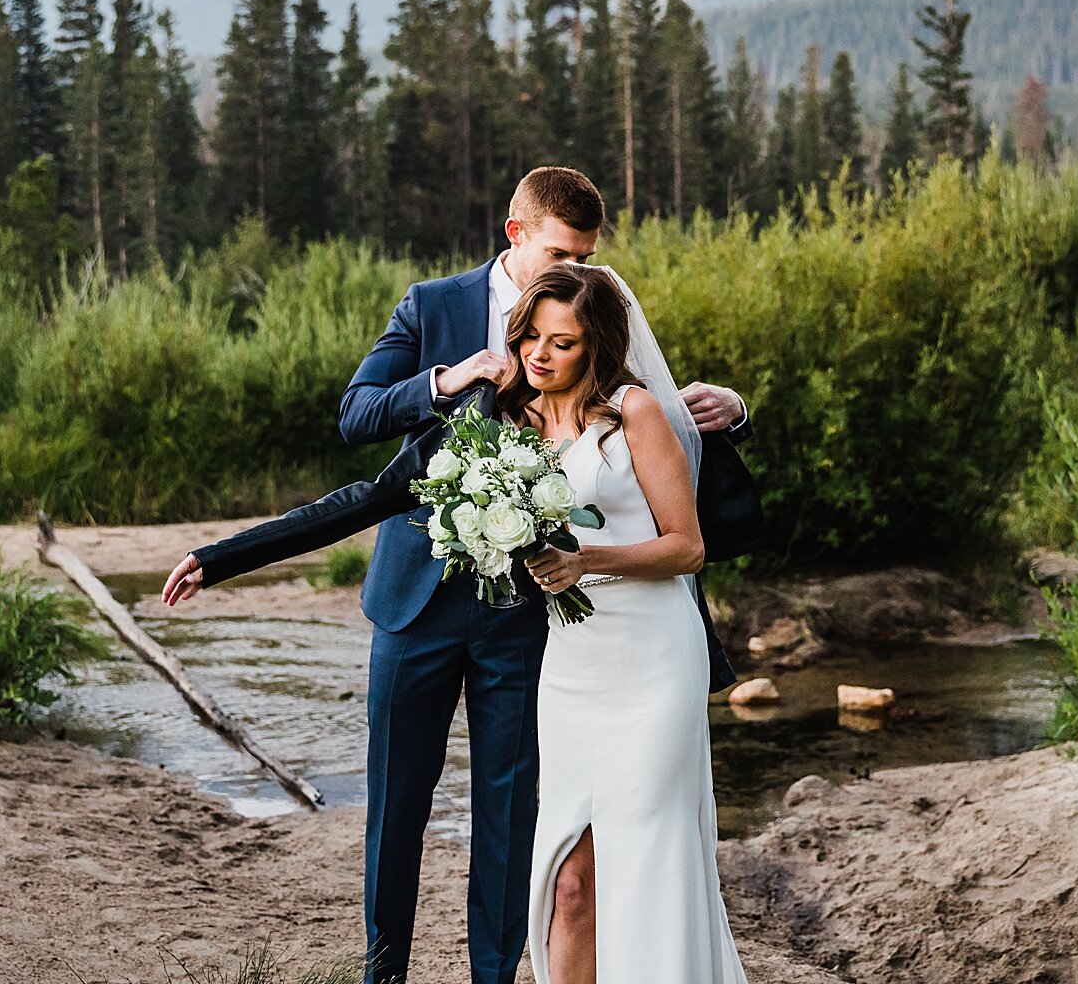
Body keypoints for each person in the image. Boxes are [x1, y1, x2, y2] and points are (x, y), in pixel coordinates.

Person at [164, 167, 748, 983]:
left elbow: (666, 454)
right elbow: (365, 475)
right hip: (418, 609)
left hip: (535, 627)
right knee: (399, 810)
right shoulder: (464, 358)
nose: (544, 344)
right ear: (516, 236)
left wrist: (730, 409)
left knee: (516, 829)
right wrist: (223, 556)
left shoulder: (605, 376)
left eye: (563, 329)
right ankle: (382, 975)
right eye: (555, 260)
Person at [508, 262, 747, 984]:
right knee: (570, 882)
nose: (540, 356)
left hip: (653, 660)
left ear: (599, 347)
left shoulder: (634, 412)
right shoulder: (510, 424)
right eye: (533, 339)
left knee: (645, 867)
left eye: (564, 343)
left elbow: (688, 545)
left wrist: (586, 561)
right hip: (574, 663)